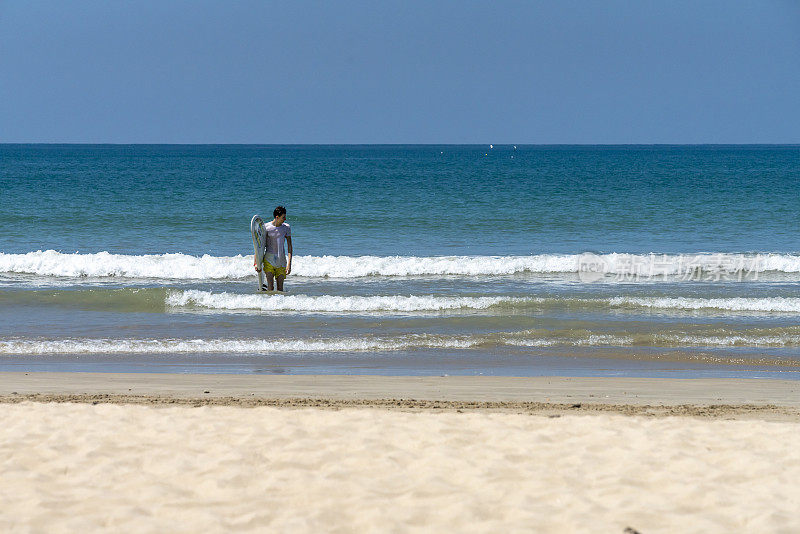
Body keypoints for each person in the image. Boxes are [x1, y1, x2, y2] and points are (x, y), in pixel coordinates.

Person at [254, 206, 292, 291]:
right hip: (269, 260)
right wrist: (256, 262)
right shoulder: (266, 227)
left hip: (281, 261)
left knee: (280, 289)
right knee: (270, 287)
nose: (285, 219)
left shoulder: (286, 228)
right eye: (283, 217)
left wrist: (289, 264)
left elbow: (290, 246)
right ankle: (268, 303)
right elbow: (259, 245)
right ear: (277, 217)